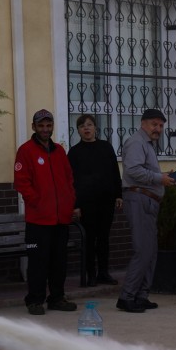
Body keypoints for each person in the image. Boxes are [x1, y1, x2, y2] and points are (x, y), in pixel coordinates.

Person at [13, 109, 79, 315]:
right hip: (38, 220)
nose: (45, 129)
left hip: (60, 219)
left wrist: (69, 203)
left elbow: (69, 179)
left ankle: (57, 298)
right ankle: (34, 300)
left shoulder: (59, 151)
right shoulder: (25, 151)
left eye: (48, 125)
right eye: (41, 125)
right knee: (38, 263)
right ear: (34, 127)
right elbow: (22, 182)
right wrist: (37, 203)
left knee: (59, 262)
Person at [117, 108, 176, 314]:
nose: (158, 129)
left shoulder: (147, 144)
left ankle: (140, 296)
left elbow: (143, 171)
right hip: (139, 198)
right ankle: (127, 297)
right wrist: (159, 178)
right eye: (154, 124)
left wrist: (161, 176)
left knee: (150, 252)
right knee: (143, 250)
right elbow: (132, 171)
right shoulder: (136, 142)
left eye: (161, 125)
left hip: (147, 200)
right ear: (143, 124)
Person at [67, 113, 122, 286]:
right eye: (82, 126)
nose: (87, 128)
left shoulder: (106, 148)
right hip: (86, 204)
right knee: (89, 239)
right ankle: (90, 274)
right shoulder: (74, 153)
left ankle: (103, 273)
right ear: (78, 131)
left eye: (90, 125)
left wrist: (118, 194)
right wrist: (75, 205)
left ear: (95, 128)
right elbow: (71, 181)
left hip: (106, 201)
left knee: (104, 238)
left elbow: (115, 172)